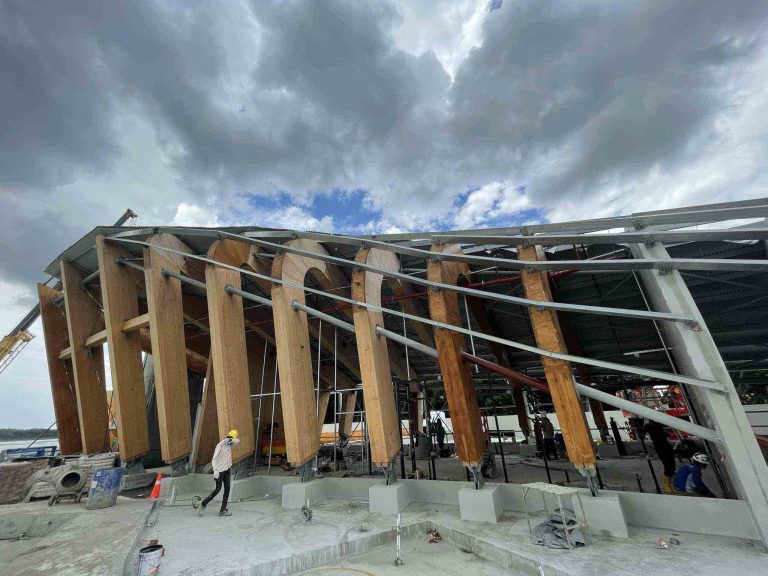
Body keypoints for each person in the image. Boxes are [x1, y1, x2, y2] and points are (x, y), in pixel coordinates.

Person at [198, 429, 240, 517]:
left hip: (227, 469)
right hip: (219, 471)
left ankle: (223, 510)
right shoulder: (220, 445)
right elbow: (214, 459)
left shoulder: (230, 444)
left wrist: (231, 440)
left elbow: (237, 441)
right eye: (231, 441)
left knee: (227, 489)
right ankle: (203, 504)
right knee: (217, 490)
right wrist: (215, 470)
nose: (233, 444)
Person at [644, 419, 676, 494]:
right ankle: (666, 485)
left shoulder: (658, 424)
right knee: (667, 463)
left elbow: (664, 431)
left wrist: (666, 435)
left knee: (672, 463)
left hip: (667, 446)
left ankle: (670, 482)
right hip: (660, 447)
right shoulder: (648, 426)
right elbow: (642, 433)